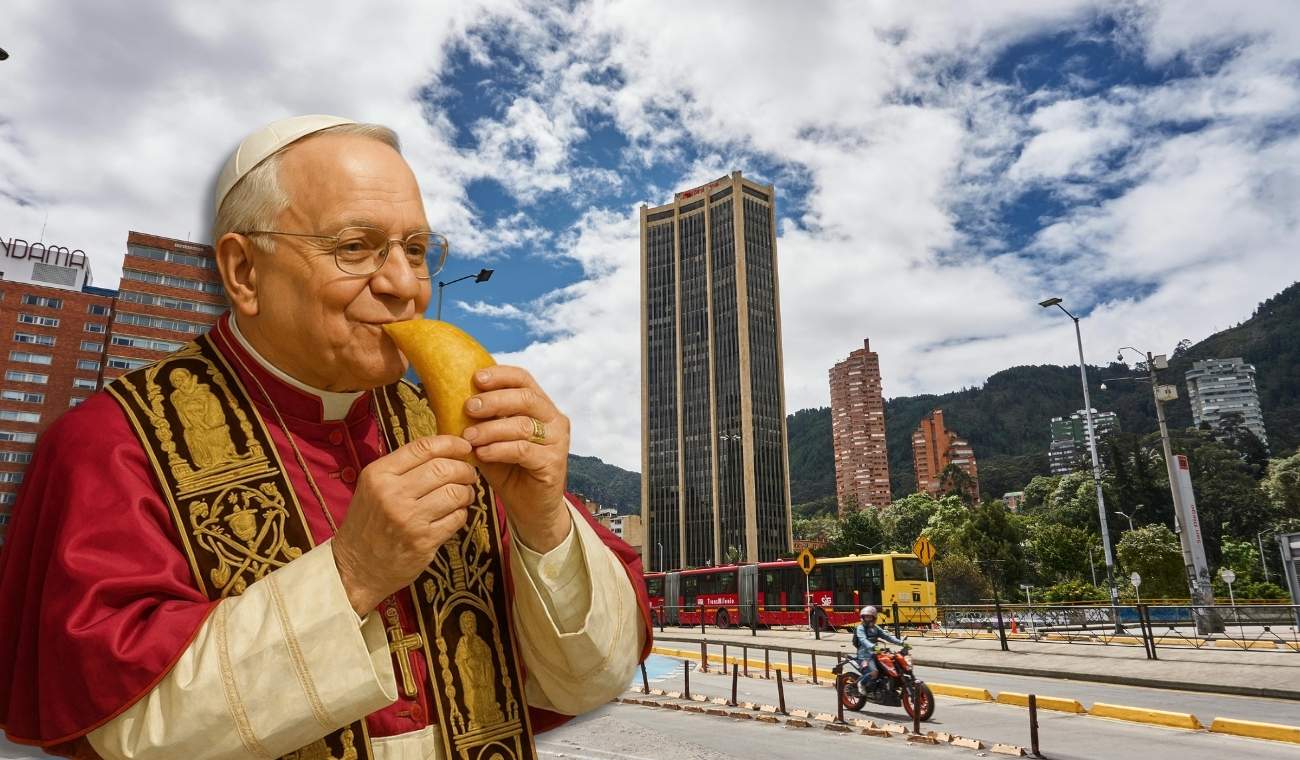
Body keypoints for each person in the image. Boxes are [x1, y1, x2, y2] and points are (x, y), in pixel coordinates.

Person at [0, 115, 652, 760]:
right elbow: (124, 731)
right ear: (245, 272)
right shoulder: (111, 444)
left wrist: (542, 522)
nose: (404, 286)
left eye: (418, 251)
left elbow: (587, 680)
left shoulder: (465, 432)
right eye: (355, 247)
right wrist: (354, 573)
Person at [852, 605, 906, 692]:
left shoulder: (875, 628)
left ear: (874, 618)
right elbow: (863, 640)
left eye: (869, 617)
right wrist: (872, 646)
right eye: (866, 617)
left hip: (875, 653)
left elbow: (887, 637)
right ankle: (861, 683)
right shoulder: (860, 628)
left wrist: (901, 643)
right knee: (874, 672)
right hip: (865, 656)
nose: (867, 619)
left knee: (891, 665)